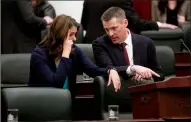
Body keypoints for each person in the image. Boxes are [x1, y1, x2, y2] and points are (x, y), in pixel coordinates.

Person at [28, 14, 121, 95]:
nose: (75, 39)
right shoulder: (38, 55)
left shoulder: (74, 51)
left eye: (75, 34)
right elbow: (56, 85)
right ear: (60, 34)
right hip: (44, 104)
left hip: (69, 104)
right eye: (71, 34)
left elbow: (93, 70)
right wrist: (65, 54)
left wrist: (110, 71)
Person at [92, 7, 165, 107]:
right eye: (106, 29)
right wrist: (133, 69)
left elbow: (159, 75)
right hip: (117, 93)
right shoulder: (100, 44)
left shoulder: (146, 43)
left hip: (145, 95)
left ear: (125, 23)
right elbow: (107, 68)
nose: (110, 34)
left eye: (114, 28)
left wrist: (146, 74)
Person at [81, 0, 178, 43]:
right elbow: (135, 23)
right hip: (109, 47)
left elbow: (84, 24)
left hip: (88, 46)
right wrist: (158, 24)